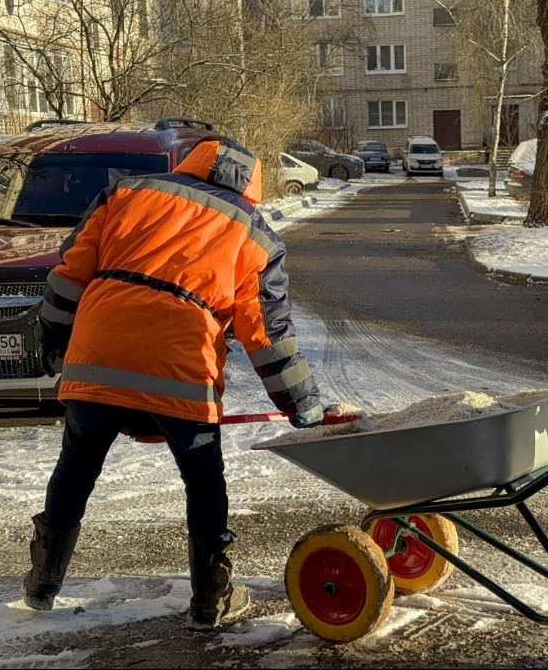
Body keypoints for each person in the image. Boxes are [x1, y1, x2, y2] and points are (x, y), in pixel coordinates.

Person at [23, 136, 327, 632]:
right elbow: (265, 331)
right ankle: (209, 599)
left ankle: (42, 584)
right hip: (182, 367)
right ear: (252, 182)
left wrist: (56, 344)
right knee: (203, 480)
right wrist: (300, 402)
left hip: (98, 353)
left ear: (192, 162)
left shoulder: (127, 193)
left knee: (76, 467)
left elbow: (68, 276)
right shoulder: (254, 232)